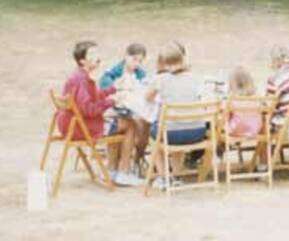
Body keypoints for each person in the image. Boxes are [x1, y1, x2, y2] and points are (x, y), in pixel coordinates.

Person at [57, 41, 142, 186]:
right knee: (130, 125)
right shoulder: (81, 80)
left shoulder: (80, 76)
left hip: (72, 124)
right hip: (82, 128)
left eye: (97, 53)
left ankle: (112, 170)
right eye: (93, 54)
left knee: (117, 123)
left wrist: (112, 90)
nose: (98, 57)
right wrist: (111, 102)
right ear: (82, 61)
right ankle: (123, 172)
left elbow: (94, 97)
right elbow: (89, 109)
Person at [145, 42, 205, 188]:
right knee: (179, 124)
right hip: (197, 132)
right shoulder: (195, 78)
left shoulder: (161, 79)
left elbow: (147, 97)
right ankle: (177, 176)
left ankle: (163, 177)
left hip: (172, 133)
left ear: (164, 63)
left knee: (156, 136)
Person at [99, 43, 151, 171]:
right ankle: (121, 164)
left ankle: (138, 157)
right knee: (133, 124)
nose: (136, 63)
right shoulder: (113, 73)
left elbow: (145, 89)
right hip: (114, 111)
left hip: (133, 108)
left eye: (140, 60)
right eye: (134, 59)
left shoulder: (141, 74)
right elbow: (106, 90)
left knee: (145, 123)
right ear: (126, 56)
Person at [226, 67, 262, 138]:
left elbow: (226, 115)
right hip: (255, 129)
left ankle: (221, 147)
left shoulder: (232, 99)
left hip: (237, 129)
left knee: (222, 121)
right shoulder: (257, 97)